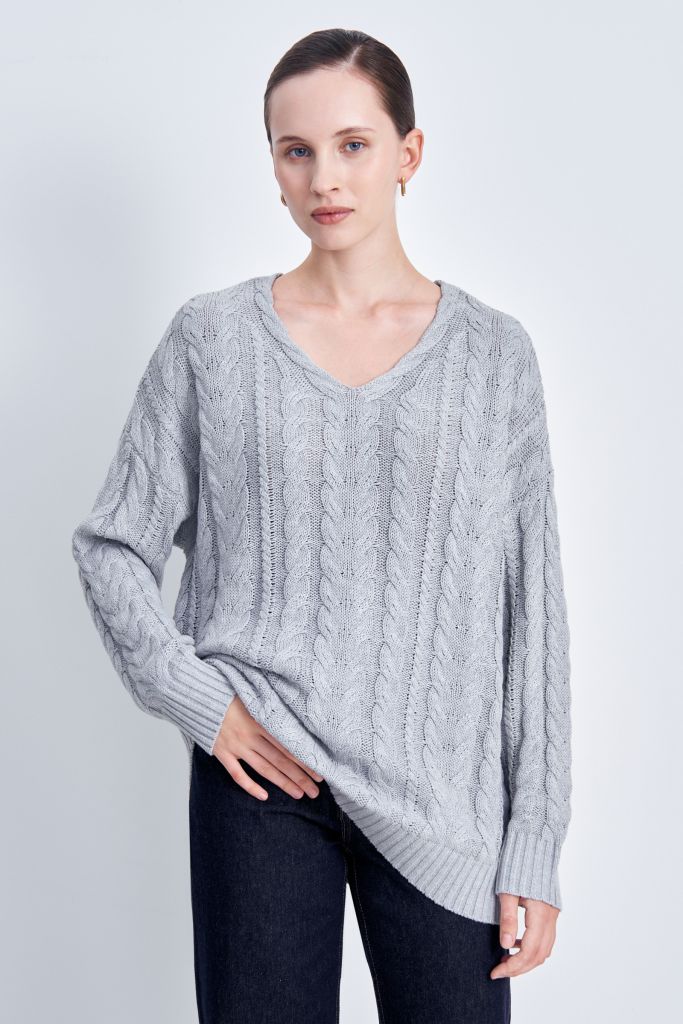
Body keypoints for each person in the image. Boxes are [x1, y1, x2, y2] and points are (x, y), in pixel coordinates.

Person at [71, 26, 572, 1024]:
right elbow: (112, 546)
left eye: (352, 145)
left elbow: (533, 617)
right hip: (260, 780)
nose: (324, 178)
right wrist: (202, 703)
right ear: (272, 166)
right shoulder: (212, 342)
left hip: (441, 802)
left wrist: (534, 841)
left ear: (407, 153)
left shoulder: (492, 359)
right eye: (295, 151)